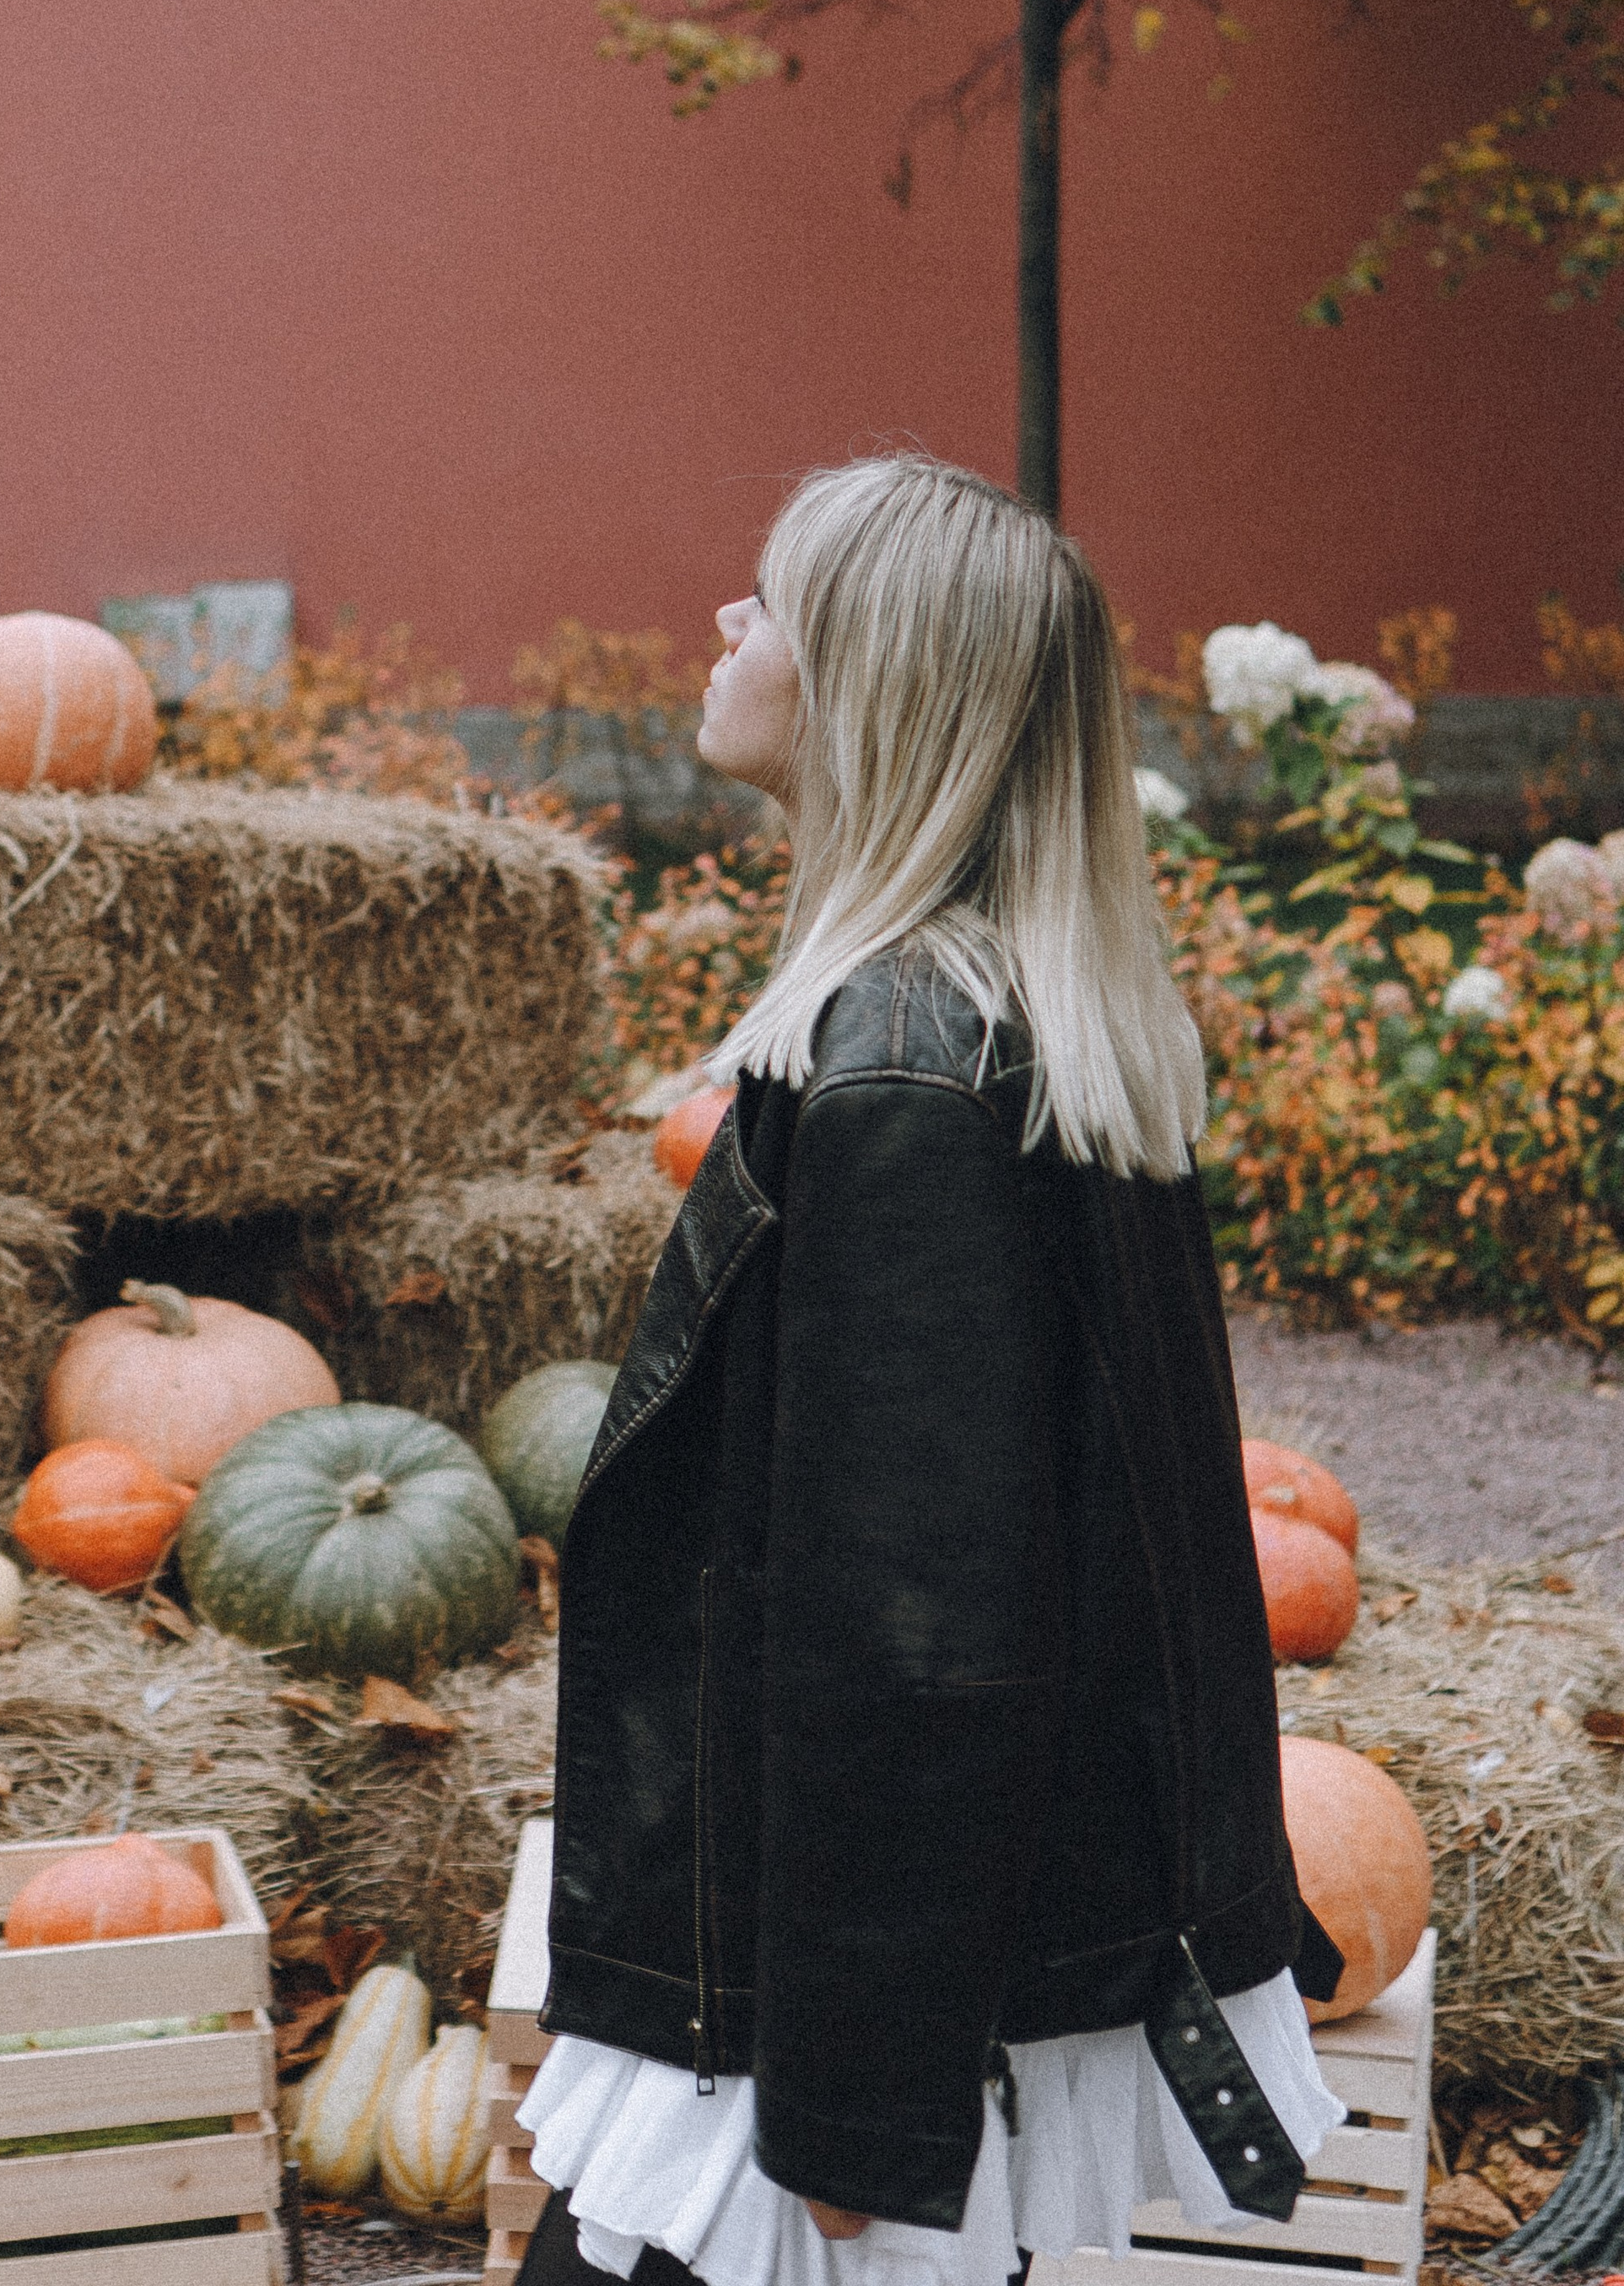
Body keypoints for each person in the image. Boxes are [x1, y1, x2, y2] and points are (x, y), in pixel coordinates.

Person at [517, 456, 1346, 2286]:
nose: (724, 625)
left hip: (833, 2007)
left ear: (859, 685)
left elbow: (916, 1637)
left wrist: (852, 2099)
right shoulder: (1001, 1026)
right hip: (908, 1964)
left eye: (767, 599)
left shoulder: (903, 1073)